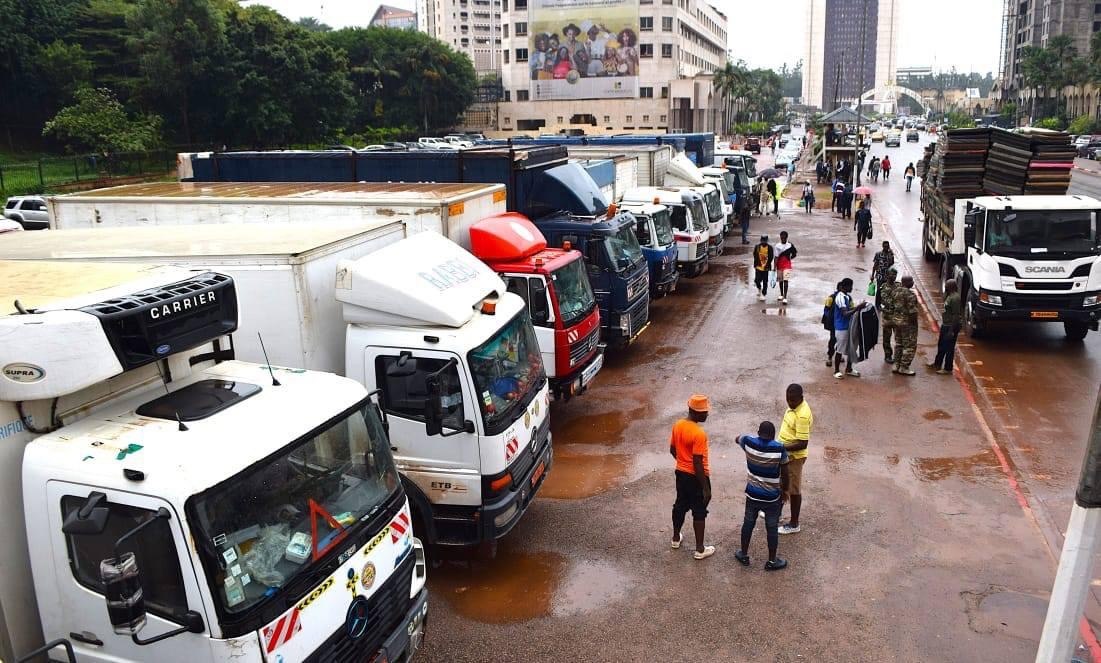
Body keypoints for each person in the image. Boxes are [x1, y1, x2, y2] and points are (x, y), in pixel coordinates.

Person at [734, 421, 789, 570]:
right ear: (773, 435)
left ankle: (744, 555)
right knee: (772, 528)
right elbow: (785, 473)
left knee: (748, 523)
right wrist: (785, 492)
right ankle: (771, 561)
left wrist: (748, 438)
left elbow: (738, 438)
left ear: (758, 432)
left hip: (752, 494)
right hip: (772, 497)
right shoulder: (779, 449)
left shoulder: (748, 443)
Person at [670, 395, 715, 559]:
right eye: (704, 412)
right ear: (695, 413)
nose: (707, 414)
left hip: (681, 473)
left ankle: (676, 538)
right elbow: (697, 462)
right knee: (699, 509)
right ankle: (700, 549)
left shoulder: (677, 425)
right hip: (697, 477)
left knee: (680, 505)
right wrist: (705, 488)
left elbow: (672, 450)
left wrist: (682, 462)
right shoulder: (699, 434)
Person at [778, 383, 813, 535]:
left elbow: (802, 443)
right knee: (781, 484)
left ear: (801, 398)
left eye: (792, 400)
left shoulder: (803, 415)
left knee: (794, 490)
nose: (789, 403)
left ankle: (794, 523)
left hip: (794, 457)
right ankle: (776, 514)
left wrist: (782, 447)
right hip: (786, 455)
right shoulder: (793, 407)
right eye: (788, 399)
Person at [832, 278, 867, 379]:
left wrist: (859, 307)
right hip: (841, 327)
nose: (851, 288)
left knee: (851, 347)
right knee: (840, 349)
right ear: (844, 287)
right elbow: (845, 313)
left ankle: (849, 369)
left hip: (848, 326)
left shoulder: (846, 297)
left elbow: (848, 309)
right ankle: (836, 371)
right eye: (850, 286)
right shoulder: (840, 297)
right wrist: (858, 308)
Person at [929, 278, 961, 375]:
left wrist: (951, 330)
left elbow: (956, 315)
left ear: (951, 287)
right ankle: (937, 363)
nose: (945, 286)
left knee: (949, 347)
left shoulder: (955, 298)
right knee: (941, 345)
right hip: (945, 324)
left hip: (951, 326)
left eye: (947, 285)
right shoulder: (949, 296)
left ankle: (948, 368)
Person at [893, 275, 919, 376]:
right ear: (907, 282)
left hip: (897, 322)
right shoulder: (910, 295)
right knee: (909, 345)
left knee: (898, 343)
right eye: (911, 281)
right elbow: (912, 312)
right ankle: (904, 367)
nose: (912, 283)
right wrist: (914, 324)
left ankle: (896, 364)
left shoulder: (895, 291)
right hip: (907, 324)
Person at [879, 267, 900, 364]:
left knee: (899, 338)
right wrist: (897, 301)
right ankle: (888, 355)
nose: (894, 276)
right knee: (887, 338)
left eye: (895, 274)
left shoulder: (899, 285)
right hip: (887, 316)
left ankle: (898, 356)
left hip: (897, 317)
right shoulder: (884, 287)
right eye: (892, 274)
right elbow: (885, 301)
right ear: (887, 275)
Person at [822, 281, 843, 366]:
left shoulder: (847, 298)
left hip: (842, 324)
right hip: (834, 323)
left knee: (840, 340)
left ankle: (838, 355)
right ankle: (830, 356)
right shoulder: (831, 298)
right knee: (833, 339)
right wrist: (830, 320)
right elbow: (826, 309)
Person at [774, 231, 796, 304]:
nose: (783, 238)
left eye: (784, 237)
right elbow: (776, 257)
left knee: (786, 280)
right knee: (780, 280)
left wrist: (789, 259)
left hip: (787, 265)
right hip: (779, 265)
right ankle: (781, 294)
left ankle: (785, 297)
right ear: (780, 237)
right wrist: (774, 267)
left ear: (787, 237)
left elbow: (794, 253)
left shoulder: (790, 245)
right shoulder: (777, 246)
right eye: (782, 237)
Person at [871, 240, 895, 308]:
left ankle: (885, 304)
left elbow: (892, 263)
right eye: (885, 246)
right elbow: (875, 265)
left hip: (887, 276)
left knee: (887, 290)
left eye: (887, 246)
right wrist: (872, 275)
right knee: (879, 290)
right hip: (880, 275)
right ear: (882, 246)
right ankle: (877, 304)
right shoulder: (878, 254)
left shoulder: (890, 254)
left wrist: (891, 255)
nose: (886, 248)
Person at [753, 235, 774, 301]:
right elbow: (754, 255)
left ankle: (763, 294)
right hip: (758, 267)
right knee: (757, 280)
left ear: (767, 241)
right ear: (760, 241)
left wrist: (767, 264)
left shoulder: (769, 248)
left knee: (765, 281)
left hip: (766, 268)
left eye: (765, 241)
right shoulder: (757, 247)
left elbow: (771, 257)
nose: (763, 242)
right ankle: (759, 289)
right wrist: (757, 263)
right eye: (762, 241)